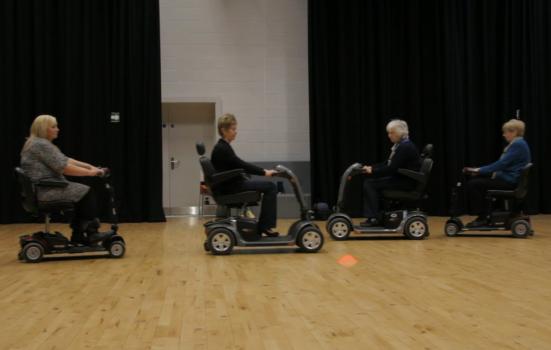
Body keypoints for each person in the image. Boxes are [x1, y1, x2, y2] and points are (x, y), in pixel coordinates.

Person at [20, 115, 107, 244]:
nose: (58, 129)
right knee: (86, 192)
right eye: (54, 127)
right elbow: (64, 168)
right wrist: (91, 173)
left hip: (44, 188)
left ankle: (80, 234)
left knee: (81, 191)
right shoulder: (41, 145)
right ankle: (90, 233)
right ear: (44, 129)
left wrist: (90, 167)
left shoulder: (35, 143)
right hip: (47, 190)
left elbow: (65, 159)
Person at [211, 114, 279, 237]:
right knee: (271, 187)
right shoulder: (223, 148)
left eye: (235, 129)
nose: (235, 132)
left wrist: (245, 173)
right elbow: (242, 164)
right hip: (232, 188)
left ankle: (264, 226)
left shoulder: (223, 146)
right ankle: (266, 226)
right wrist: (265, 172)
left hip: (230, 185)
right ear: (223, 130)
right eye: (233, 129)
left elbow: (236, 165)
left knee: (268, 186)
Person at [463, 119, 531, 227]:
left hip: (510, 181)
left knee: (473, 184)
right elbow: (504, 166)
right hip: (510, 178)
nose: (504, 135)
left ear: (514, 132)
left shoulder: (517, 144)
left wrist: (478, 170)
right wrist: (480, 171)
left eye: (505, 132)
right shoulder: (520, 143)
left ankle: (483, 217)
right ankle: (487, 214)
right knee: (477, 181)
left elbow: (501, 164)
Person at [361, 119, 422, 226]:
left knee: (369, 184)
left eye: (391, 132)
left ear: (400, 132)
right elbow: (387, 163)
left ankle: (373, 218)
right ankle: (378, 215)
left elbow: (391, 168)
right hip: (402, 179)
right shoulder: (402, 145)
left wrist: (373, 170)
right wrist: (371, 167)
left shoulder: (405, 147)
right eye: (388, 133)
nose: (389, 135)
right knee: (372, 182)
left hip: (406, 182)